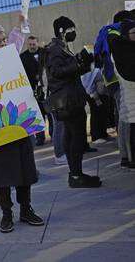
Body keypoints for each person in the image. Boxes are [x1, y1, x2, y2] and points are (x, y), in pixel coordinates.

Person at [0, 15, 44, 233]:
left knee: (24, 169)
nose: (3, 44)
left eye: (4, 40)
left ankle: (26, 209)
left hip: (18, 122)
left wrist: (21, 23)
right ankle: (6, 213)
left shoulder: (11, 58)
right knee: (1, 174)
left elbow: (19, 38)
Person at [44, 16, 101, 188]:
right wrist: (77, 62)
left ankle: (75, 174)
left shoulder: (61, 47)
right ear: (62, 31)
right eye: (71, 30)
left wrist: (85, 63)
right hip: (68, 101)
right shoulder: (54, 49)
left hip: (71, 98)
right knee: (77, 137)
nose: (73, 33)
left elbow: (68, 72)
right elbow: (56, 72)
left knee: (71, 136)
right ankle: (76, 175)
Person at [95, 10, 133, 167]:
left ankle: (125, 155)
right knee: (127, 118)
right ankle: (127, 156)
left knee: (123, 117)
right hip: (121, 80)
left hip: (113, 81)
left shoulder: (108, 34)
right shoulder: (116, 34)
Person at [110, 19, 135, 167]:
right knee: (129, 127)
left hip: (129, 102)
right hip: (131, 101)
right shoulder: (122, 51)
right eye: (134, 32)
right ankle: (128, 158)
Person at [20, 36, 47, 146]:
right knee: (37, 114)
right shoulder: (23, 57)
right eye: (30, 44)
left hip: (46, 87)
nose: (32, 46)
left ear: (37, 43)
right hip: (32, 90)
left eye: (33, 44)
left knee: (49, 112)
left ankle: (53, 134)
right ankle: (40, 138)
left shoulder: (44, 53)